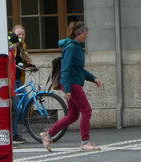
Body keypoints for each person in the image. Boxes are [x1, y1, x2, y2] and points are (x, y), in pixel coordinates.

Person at [41, 22, 102, 152]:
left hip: (72, 82)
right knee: (87, 110)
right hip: (71, 84)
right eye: (85, 35)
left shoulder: (77, 47)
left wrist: (93, 78)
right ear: (78, 34)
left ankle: (48, 134)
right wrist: (67, 89)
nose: (86, 37)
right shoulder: (71, 48)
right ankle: (85, 142)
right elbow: (66, 69)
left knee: (73, 115)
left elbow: (78, 69)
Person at [9, 24, 35, 144]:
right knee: (16, 106)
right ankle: (14, 134)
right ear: (14, 34)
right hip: (12, 79)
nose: (21, 36)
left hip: (19, 79)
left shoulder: (22, 46)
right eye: (18, 34)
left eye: (23, 34)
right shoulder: (11, 46)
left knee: (25, 103)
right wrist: (13, 44)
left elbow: (25, 58)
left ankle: (17, 129)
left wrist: (31, 65)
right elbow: (10, 59)